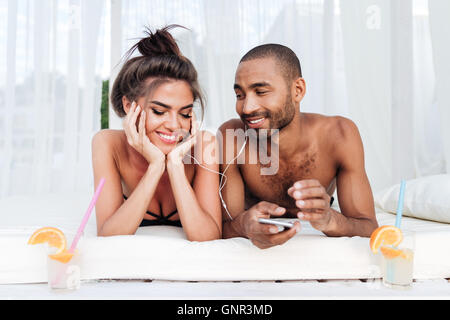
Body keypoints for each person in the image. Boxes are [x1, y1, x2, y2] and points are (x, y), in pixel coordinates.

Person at [218, 44, 378, 249]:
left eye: (261, 91)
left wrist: (329, 220)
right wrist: (244, 226)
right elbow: (223, 227)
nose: (247, 107)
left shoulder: (340, 134)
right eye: (240, 95)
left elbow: (368, 226)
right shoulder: (232, 137)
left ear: (298, 90)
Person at [92, 25, 221, 241]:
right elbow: (108, 236)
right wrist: (155, 166)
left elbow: (207, 237)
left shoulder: (204, 145)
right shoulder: (107, 144)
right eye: (159, 111)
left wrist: (175, 166)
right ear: (128, 105)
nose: (174, 125)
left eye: (185, 113)